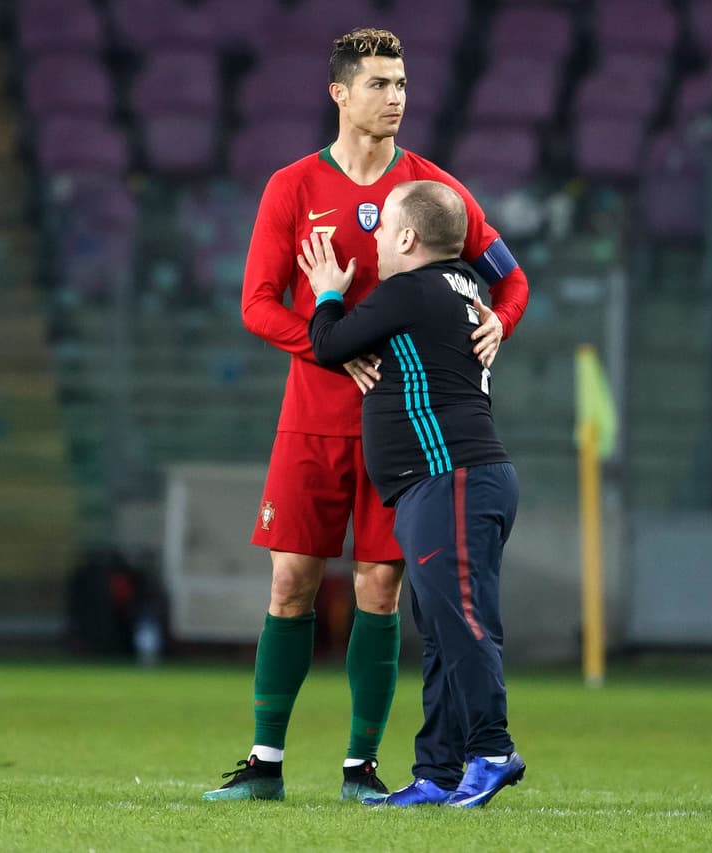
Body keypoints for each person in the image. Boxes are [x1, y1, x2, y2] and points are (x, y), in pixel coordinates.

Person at [204, 28, 528, 803]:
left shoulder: (430, 190)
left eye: (403, 83)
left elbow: (509, 279)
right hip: (311, 418)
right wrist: (330, 352)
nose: (396, 98)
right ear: (339, 94)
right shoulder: (292, 188)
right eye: (380, 83)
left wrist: (501, 323)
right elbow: (255, 304)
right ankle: (264, 762)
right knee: (290, 583)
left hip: (406, 433)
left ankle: (361, 767)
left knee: (381, 590)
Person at [300, 179, 525, 808]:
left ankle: (493, 749)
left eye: (381, 228)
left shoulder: (410, 290)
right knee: (444, 625)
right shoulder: (465, 289)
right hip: (461, 480)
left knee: (461, 623)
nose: (372, 238)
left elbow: (329, 346)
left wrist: (327, 294)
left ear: (407, 237)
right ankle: (438, 772)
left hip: (448, 477)